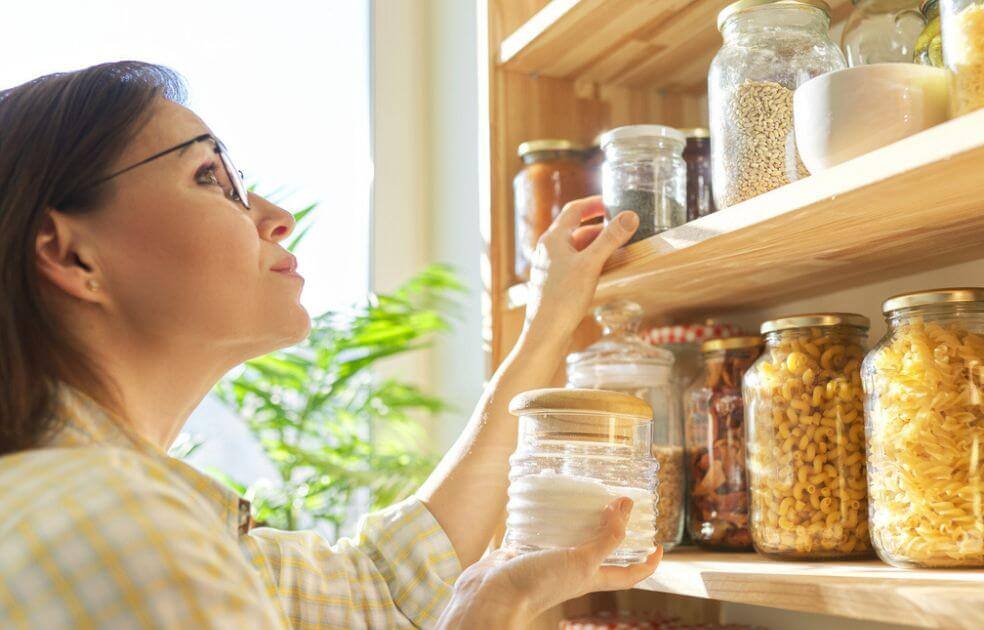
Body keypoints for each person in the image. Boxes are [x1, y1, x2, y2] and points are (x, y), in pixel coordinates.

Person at [0, 61, 660, 629]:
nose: (276, 216)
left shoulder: (133, 520)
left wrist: (549, 317)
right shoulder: (113, 529)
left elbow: (382, 588)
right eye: (210, 177)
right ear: (71, 253)